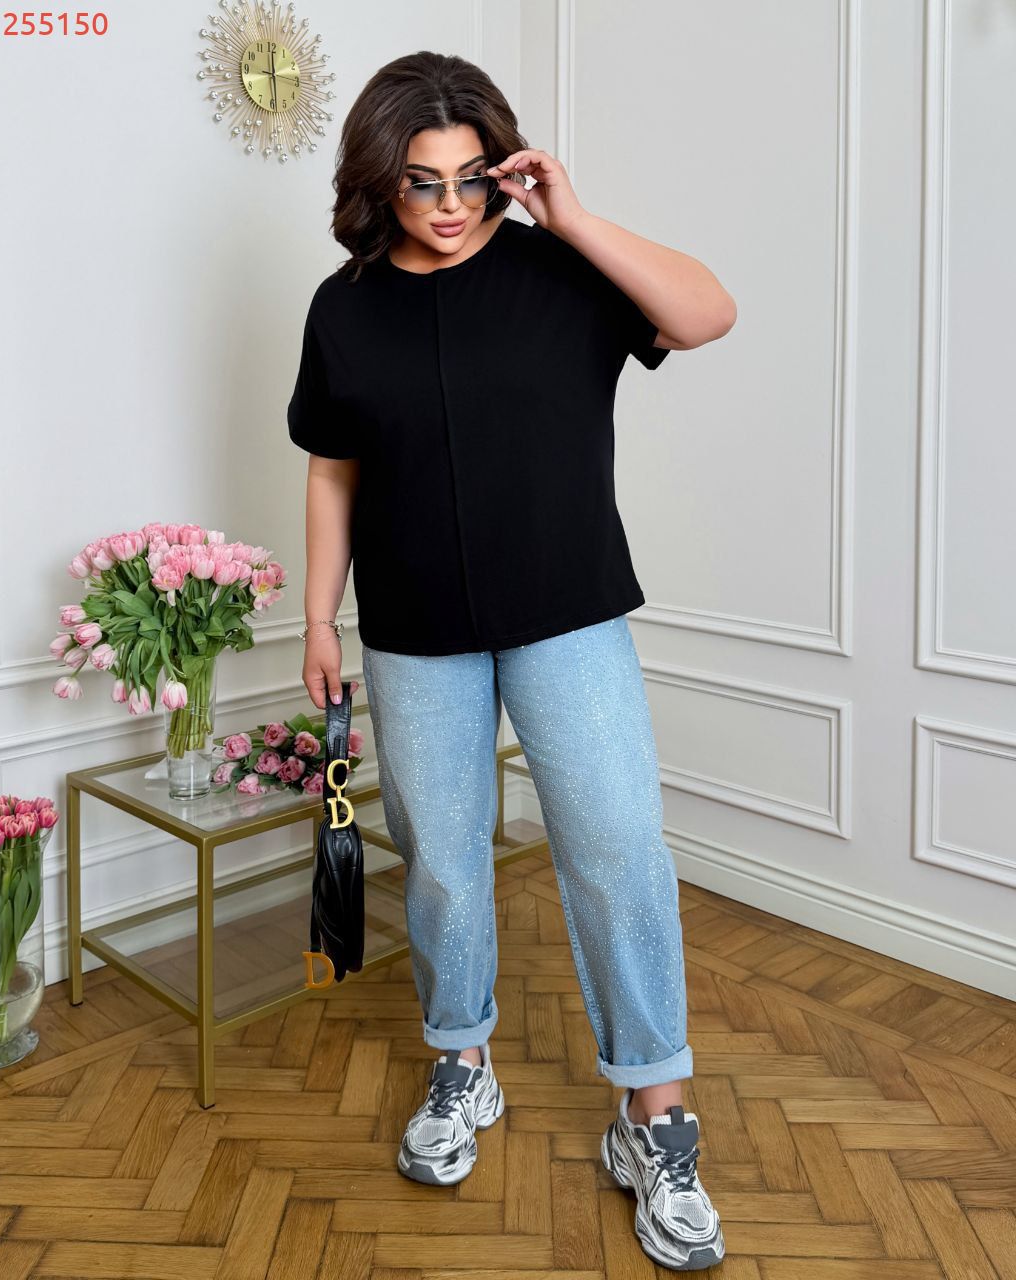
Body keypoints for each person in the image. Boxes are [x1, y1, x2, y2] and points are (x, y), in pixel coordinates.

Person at [289, 50, 735, 1273]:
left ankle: (654, 1113)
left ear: (503, 170)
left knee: (617, 849)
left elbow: (706, 314)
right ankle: (461, 1061)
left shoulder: (562, 269)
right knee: (441, 863)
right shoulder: (344, 306)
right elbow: (332, 467)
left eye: (470, 178)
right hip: (412, 627)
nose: (448, 204)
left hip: (568, 612)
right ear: (378, 182)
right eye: (420, 182)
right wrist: (318, 618)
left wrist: (571, 215)